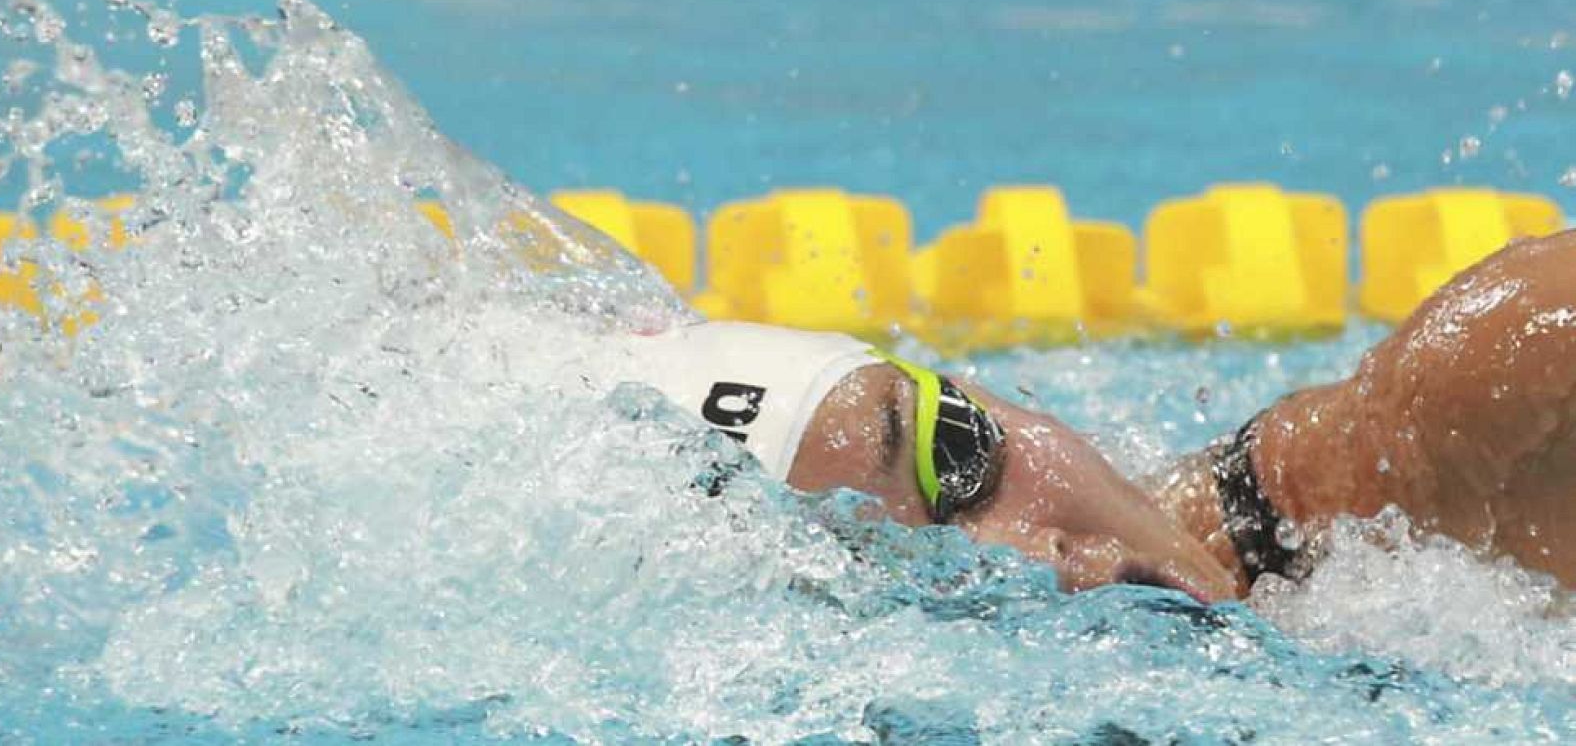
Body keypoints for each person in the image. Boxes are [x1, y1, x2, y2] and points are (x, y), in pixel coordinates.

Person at [611, 231, 1576, 603]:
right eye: (897, 574)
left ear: (998, 397)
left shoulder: (1470, 423)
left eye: (961, 453)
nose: (1037, 557)